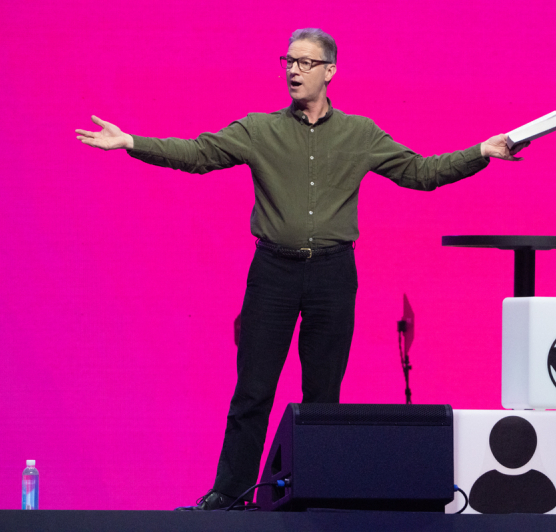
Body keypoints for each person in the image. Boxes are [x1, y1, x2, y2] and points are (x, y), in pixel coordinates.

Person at [76, 28, 530, 510]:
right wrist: (131, 142)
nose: (293, 70)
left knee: (322, 395)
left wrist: (482, 152)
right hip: (273, 272)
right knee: (252, 389)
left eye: (306, 63)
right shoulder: (259, 129)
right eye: (288, 61)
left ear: (330, 71)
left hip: (333, 276)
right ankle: (230, 495)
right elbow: (199, 154)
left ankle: (313, 494)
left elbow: (421, 173)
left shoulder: (361, 133)